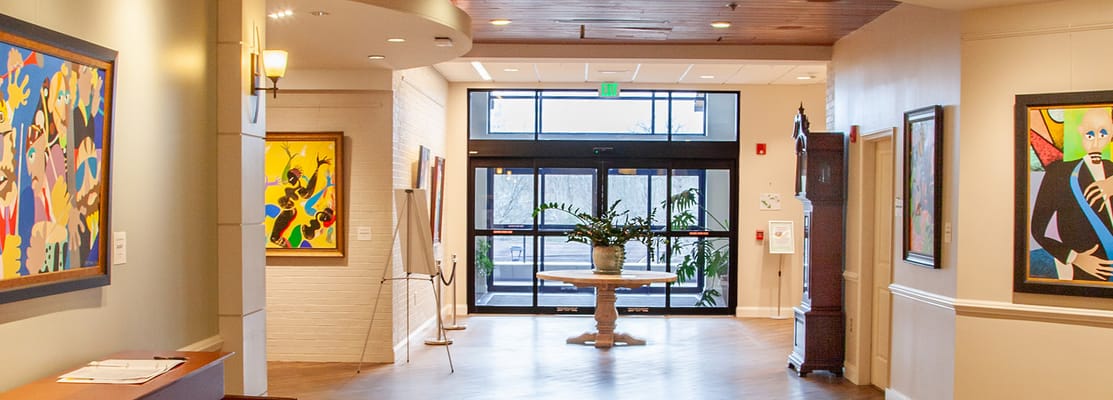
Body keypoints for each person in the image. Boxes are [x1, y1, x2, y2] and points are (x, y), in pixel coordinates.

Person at [1031, 107, 1113, 281]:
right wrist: (1075, 258)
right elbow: (1037, 230)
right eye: (1091, 134)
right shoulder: (1059, 172)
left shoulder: (1111, 170)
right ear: (1081, 131)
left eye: (1103, 133)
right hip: (1088, 270)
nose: (1097, 142)